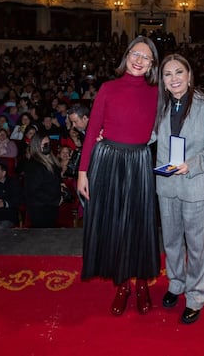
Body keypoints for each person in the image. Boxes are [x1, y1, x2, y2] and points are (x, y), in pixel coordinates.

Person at [76, 36, 161, 317]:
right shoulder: (108, 88)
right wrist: (82, 172)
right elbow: (92, 131)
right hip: (108, 161)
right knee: (115, 226)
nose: (138, 59)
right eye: (135, 53)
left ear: (152, 65)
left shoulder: (157, 92)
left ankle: (141, 284)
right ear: (126, 56)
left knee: (139, 225)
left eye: (145, 57)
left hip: (138, 162)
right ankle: (123, 285)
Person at [154, 54, 204, 325]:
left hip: (196, 185)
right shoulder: (159, 106)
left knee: (197, 246)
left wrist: (193, 164)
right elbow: (144, 135)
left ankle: (196, 296)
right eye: (167, 74)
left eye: (178, 72)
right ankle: (176, 284)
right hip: (166, 185)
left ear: (189, 75)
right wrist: (113, 135)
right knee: (171, 241)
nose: (173, 79)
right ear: (162, 80)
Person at [21, 133, 62, 228]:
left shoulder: (52, 160)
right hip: (40, 208)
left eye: (48, 143)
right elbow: (33, 191)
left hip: (50, 206)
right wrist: (55, 200)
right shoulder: (34, 165)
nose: (47, 146)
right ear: (36, 146)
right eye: (44, 144)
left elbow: (54, 179)